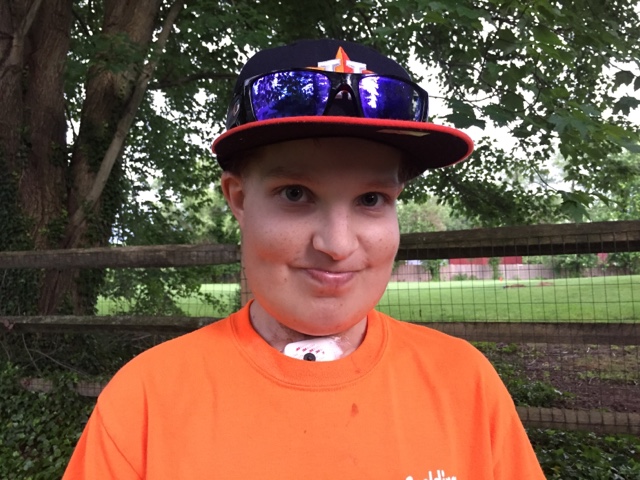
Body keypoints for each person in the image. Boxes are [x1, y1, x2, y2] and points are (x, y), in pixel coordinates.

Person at [63, 39, 545, 479]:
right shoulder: (146, 402)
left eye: (371, 199)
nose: (337, 245)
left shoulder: (464, 382)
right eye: (295, 193)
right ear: (238, 199)